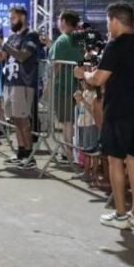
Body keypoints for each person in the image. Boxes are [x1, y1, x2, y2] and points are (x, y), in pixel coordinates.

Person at [74, 2, 134, 230]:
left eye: (108, 21)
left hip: (119, 111)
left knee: (115, 161)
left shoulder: (115, 46)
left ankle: (120, 214)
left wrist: (84, 74)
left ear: (115, 20)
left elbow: (98, 79)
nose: (107, 27)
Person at [0, 7, 41, 170]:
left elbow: (22, 56)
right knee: (15, 119)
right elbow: (0, 58)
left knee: (23, 119)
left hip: (23, 83)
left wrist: (4, 45)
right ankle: (21, 152)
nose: (10, 21)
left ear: (22, 17)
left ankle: (29, 155)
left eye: (12, 18)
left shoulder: (31, 35)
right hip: (10, 82)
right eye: (10, 19)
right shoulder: (12, 37)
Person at [49, 11, 84, 164]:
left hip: (63, 86)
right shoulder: (77, 40)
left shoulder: (62, 40)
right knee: (73, 121)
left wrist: (49, 83)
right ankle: (71, 152)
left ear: (63, 21)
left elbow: (56, 65)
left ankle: (68, 153)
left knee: (66, 121)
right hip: (76, 86)